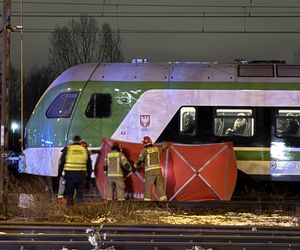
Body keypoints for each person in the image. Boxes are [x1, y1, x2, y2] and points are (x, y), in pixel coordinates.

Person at [58, 135, 92, 206]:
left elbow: (62, 162)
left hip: (69, 174)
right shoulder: (84, 150)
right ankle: (79, 210)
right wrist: (88, 177)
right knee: (80, 194)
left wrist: (59, 174)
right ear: (80, 141)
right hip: (81, 175)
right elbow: (89, 165)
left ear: (73, 140)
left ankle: (70, 210)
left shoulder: (68, 149)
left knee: (69, 194)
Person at [134, 136, 168, 202]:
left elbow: (139, 161)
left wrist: (134, 166)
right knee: (160, 188)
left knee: (148, 189)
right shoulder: (157, 149)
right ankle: (165, 203)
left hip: (149, 173)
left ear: (144, 143)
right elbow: (164, 147)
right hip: (158, 172)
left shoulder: (144, 151)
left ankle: (147, 205)